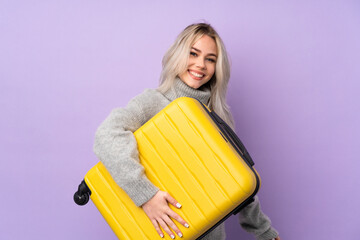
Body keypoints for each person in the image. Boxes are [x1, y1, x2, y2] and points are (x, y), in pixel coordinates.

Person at [93, 22, 280, 240]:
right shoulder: (153, 102)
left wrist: (265, 232)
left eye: (210, 59)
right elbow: (107, 135)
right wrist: (146, 195)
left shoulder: (218, 118)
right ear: (178, 55)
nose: (201, 65)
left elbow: (237, 180)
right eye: (193, 54)